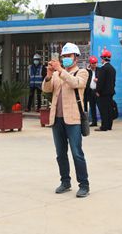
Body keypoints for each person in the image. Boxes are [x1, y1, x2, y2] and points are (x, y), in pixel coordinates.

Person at [42, 42, 91, 198]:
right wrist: (49, 75)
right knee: (60, 153)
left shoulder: (82, 72)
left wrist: (60, 70)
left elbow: (76, 83)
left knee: (77, 153)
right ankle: (65, 182)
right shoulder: (57, 74)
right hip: (57, 119)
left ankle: (84, 185)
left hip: (73, 119)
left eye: (68, 56)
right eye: (63, 56)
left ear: (76, 58)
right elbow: (46, 89)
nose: (65, 59)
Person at [95, 49, 116, 132]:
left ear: (103, 58)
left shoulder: (103, 69)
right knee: (109, 110)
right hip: (110, 92)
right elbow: (112, 82)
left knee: (103, 110)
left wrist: (97, 91)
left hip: (103, 93)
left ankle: (104, 126)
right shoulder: (112, 69)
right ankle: (109, 126)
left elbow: (101, 82)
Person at [83, 56, 99, 126]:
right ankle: (94, 122)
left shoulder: (100, 70)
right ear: (90, 63)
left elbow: (103, 80)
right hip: (90, 91)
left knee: (100, 107)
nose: (94, 64)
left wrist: (98, 80)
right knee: (92, 107)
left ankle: (104, 122)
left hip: (97, 91)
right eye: (92, 63)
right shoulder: (87, 71)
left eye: (95, 63)